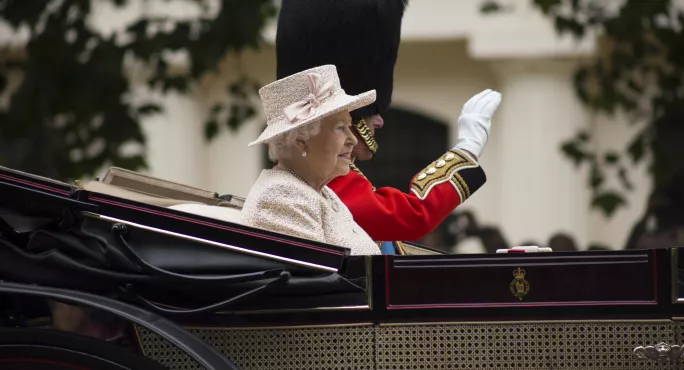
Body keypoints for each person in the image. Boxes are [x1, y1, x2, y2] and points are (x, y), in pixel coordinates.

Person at [276, 0, 502, 252]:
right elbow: (413, 215)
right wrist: (466, 151)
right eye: (372, 110)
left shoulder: (327, 176)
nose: (380, 120)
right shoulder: (325, 181)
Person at [241, 65, 381, 256]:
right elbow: (325, 281)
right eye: (340, 127)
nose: (353, 140)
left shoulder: (320, 192)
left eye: (349, 126)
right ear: (300, 141)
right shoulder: (283, 196)